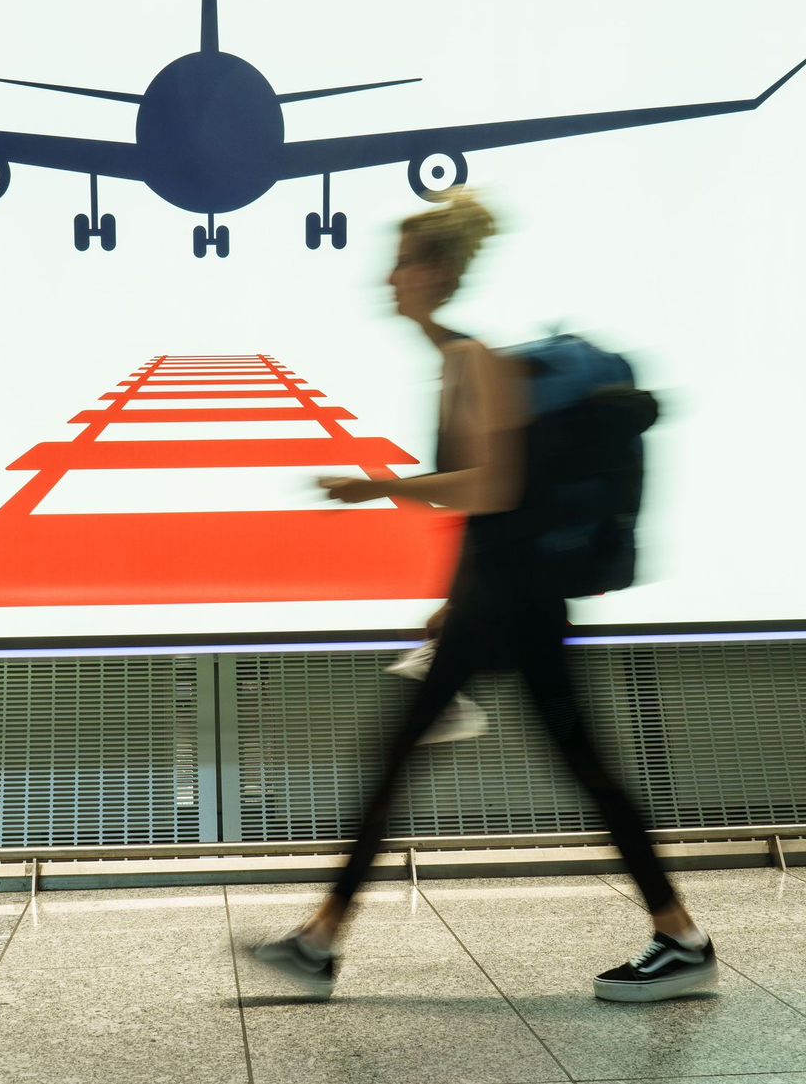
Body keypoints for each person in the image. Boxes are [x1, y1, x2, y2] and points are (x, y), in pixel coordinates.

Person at [251, 190, 716, 1003]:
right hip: (501, 601)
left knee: (422, 757)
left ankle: (321, 940)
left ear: (436, 272)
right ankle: (678, 934)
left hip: (513, 603)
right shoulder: (458, 360)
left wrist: (377, 488)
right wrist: (448, 597)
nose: (390, 278)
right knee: (562, 764)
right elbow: (489, 505)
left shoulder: (473, 360)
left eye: (403, 263)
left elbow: (492, 488)